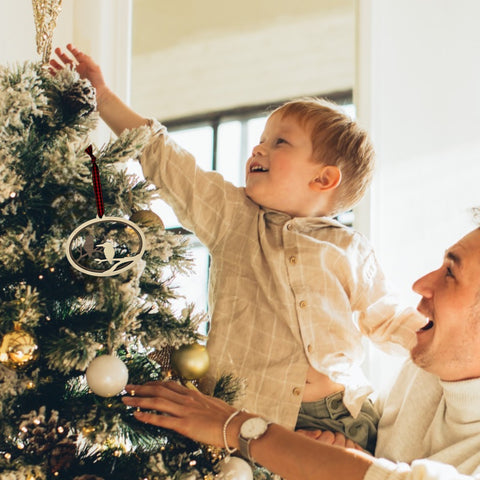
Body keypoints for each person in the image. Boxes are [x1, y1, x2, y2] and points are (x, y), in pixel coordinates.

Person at [50, 45, 426, 453]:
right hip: (245, 412)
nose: (257, 149)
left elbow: (387, 319)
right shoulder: (234, 218)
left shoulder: (349, 248)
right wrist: (103, 96)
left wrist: (444, 341)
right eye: (261, 139)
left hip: (338, 416)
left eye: (279, 142)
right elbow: (168, 160)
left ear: (323, 179)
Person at [122, 225, 480, 479]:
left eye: (450, 273)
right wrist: (350, 454)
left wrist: (235, 426)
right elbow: (381, 463)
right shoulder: (427, 368)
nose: (421, 285)